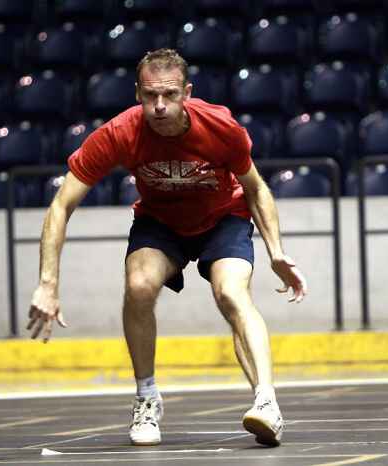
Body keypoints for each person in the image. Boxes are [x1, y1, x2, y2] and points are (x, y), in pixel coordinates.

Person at [26, 48, 307, 447]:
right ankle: (146, 397)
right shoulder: (120, 133)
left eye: (170, 95)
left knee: (230, 292)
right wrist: (47, 283)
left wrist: (276, 251)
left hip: (222, 218)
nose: (159, 106)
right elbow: (61, 205)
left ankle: (266, 402)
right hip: (160, 223)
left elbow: (256, 187)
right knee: (139, 286)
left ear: (186, 93)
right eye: (149, 96)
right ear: (137, 94)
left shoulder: (221, 127)